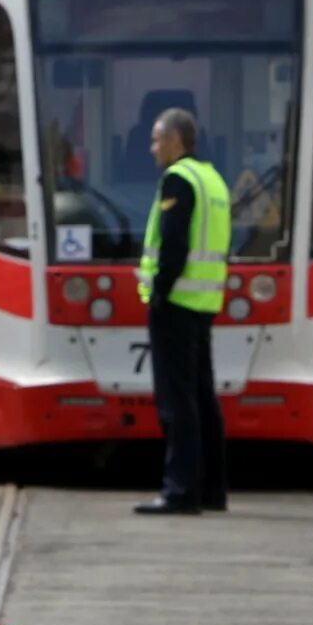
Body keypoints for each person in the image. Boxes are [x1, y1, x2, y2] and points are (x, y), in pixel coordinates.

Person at [134, 108, 231, 516]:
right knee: (203, 398)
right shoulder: (213, 180)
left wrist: (158, 292)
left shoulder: (178, 179)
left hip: (175, 304)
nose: (152, 147)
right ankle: (212, 489)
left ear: (176, 140)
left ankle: (180, 491)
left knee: (177, 402)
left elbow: (173, 246)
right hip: (204, 302)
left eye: (157, 139)